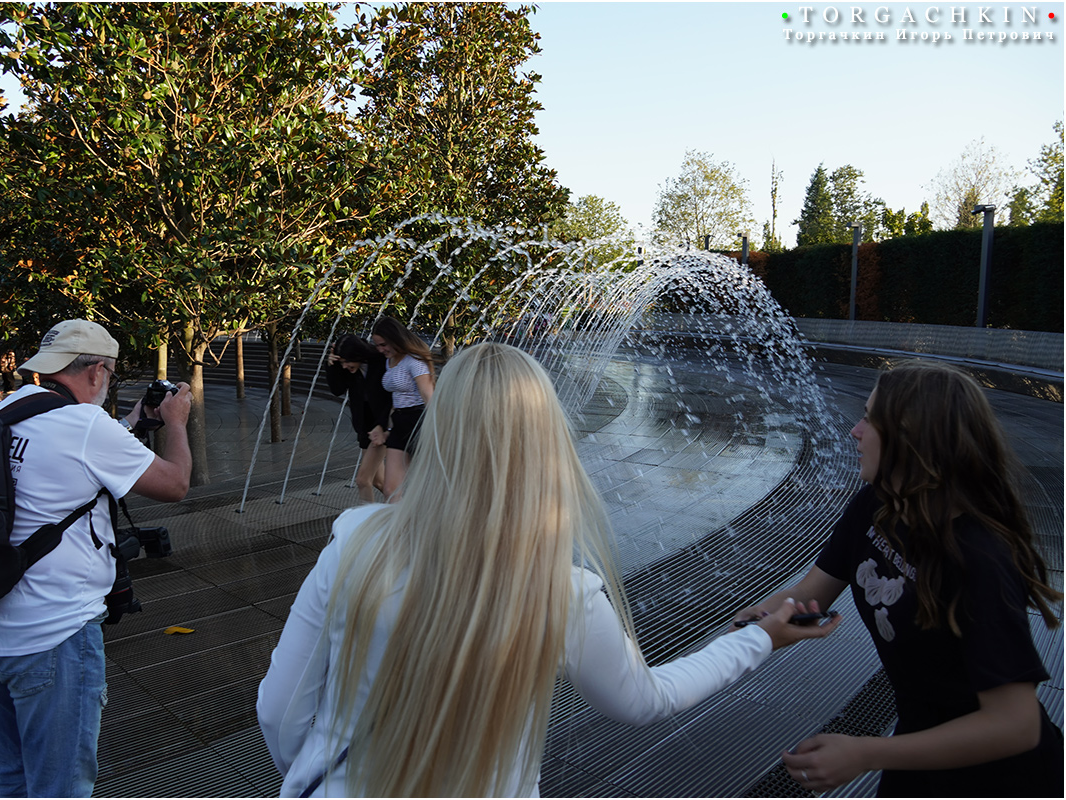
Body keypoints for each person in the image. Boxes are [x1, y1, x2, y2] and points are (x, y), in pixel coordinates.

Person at [257, 342, 838, 797]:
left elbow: (280, 710)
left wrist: (319, 774)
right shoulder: (562, 591)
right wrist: (757, 639)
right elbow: (645, 700)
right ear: (545, 442)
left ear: (443, 431)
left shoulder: (355, 541)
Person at [734, 361, 1063, 797]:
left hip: (1000, 777)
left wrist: (867, 753)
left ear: (913, 439)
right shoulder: (876, 504)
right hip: (917, 747)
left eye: (870, 419)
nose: (855, 430)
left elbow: (1015, 725)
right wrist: (743, 632)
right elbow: (809, 593)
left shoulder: (980, 560)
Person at [0, 319, 194, 797]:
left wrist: (132, 422)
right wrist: (177, 423)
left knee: (12, 775)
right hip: (50, 636)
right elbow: (175, 484)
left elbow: (75, 454)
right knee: (60, 786)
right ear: (99, 370)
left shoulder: (9, 407)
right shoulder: (85, 426)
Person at [370, 316, 435, 499]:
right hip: (398, 424)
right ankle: (397, 527)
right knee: (391, 489)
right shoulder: (388, 361)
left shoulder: (414, 361)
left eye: (384, 344)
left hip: (419, 422)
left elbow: (429, 396)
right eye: (377, 346)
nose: (381, 349)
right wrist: (387, 426)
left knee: (423, 486)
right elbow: (394, 399)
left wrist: (436, 429)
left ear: (395, 339)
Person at [326, 334, 392, 503]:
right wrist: (332, 366)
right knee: (379, 481)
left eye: (347, 361)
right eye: (342, 362)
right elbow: (336, 389)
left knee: (363, 480)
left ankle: (369, 525)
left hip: (382, 426)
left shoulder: (379, 361)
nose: (345, 366)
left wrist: (382, 425)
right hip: (365, 427)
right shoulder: (347, 369)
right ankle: (405, 510)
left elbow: (390, 397)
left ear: (357, 354)